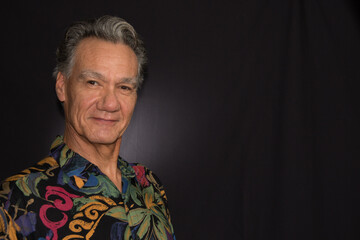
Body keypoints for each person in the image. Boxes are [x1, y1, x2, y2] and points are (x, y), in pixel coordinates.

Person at [0, 16, 175, 240]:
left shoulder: (149, 185)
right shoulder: (16, 199)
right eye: (93, 82)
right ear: (62, 87)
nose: (110, 104)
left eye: (124, 87)